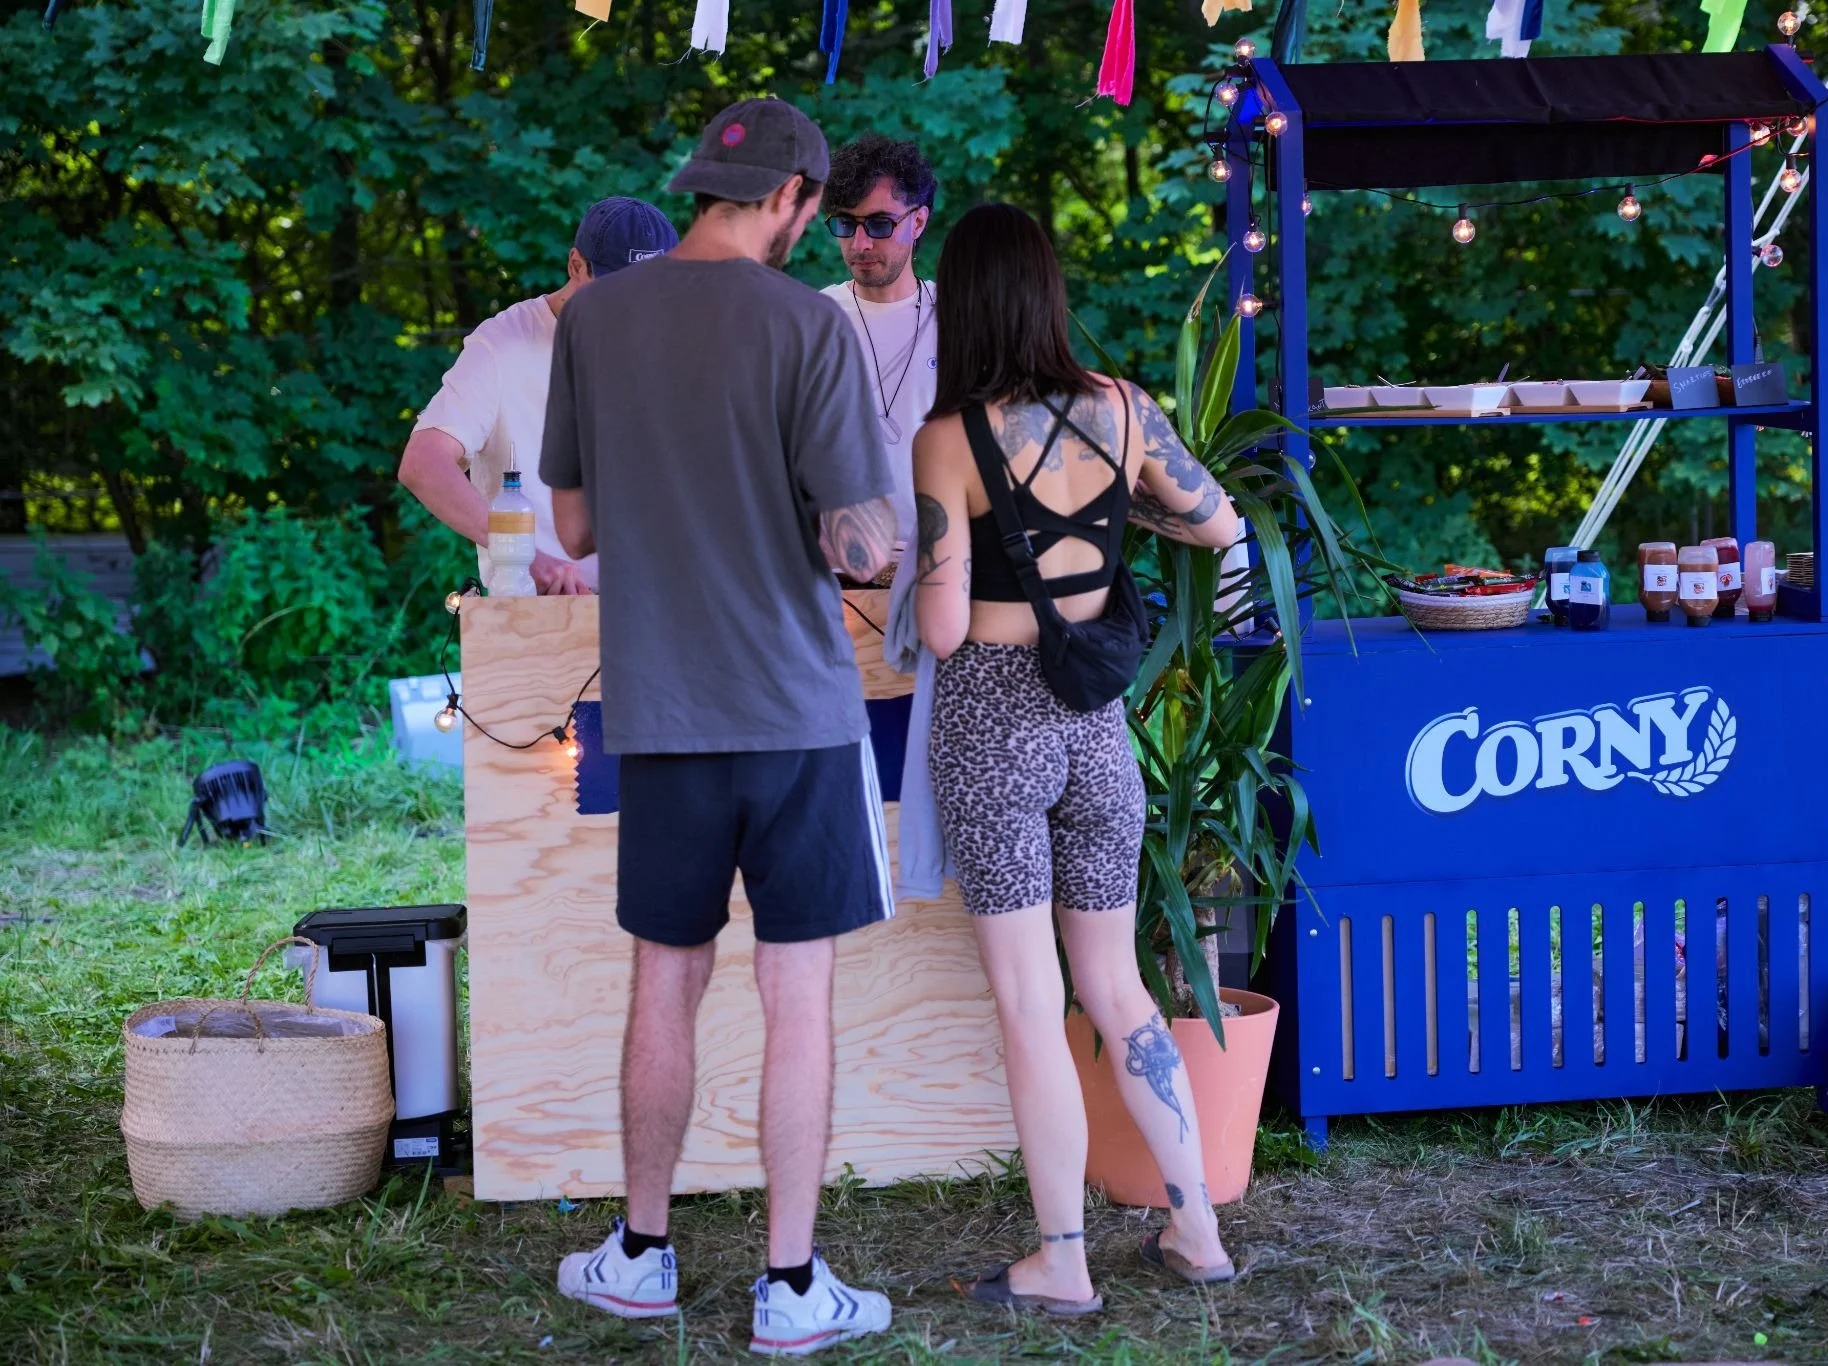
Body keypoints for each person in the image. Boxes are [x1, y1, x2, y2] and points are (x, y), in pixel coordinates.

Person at [538, 99, 900, 1354]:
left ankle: (640, 1254)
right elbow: (862, 547)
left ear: (702, 186)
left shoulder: (593, 318)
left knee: (664, 981)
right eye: (821, 210)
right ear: (794, 198)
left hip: (661, 708)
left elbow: (574, 532)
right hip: (797, 712)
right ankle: (791, 1286)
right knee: (797, 995)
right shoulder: (810, 325)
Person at [910, 203, 1243, 1314]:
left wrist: (918, 566)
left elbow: (946, 630)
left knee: (1026, 999)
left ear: (961, 305)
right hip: (1096, 728)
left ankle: (1061, 1259)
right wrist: (1113, 518)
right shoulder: (1123, 409)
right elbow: (1215, 523)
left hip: (994, 727)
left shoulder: (947, 438)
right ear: (1049, 293)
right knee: (1114, 982)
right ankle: (1194, 1225)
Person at [399, 197, 678, 596]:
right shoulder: (503, 346)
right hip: (536, 621)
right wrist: (523, 554)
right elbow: (423, 463)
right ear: (576, 266)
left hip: (651, 618)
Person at [820, 134, 938, 540]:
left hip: (941, 566)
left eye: (879, 223)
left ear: (918, 221)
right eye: (845, 224)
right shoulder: (813, 323)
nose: (860, 243)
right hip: (837, 572)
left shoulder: (962, 319)